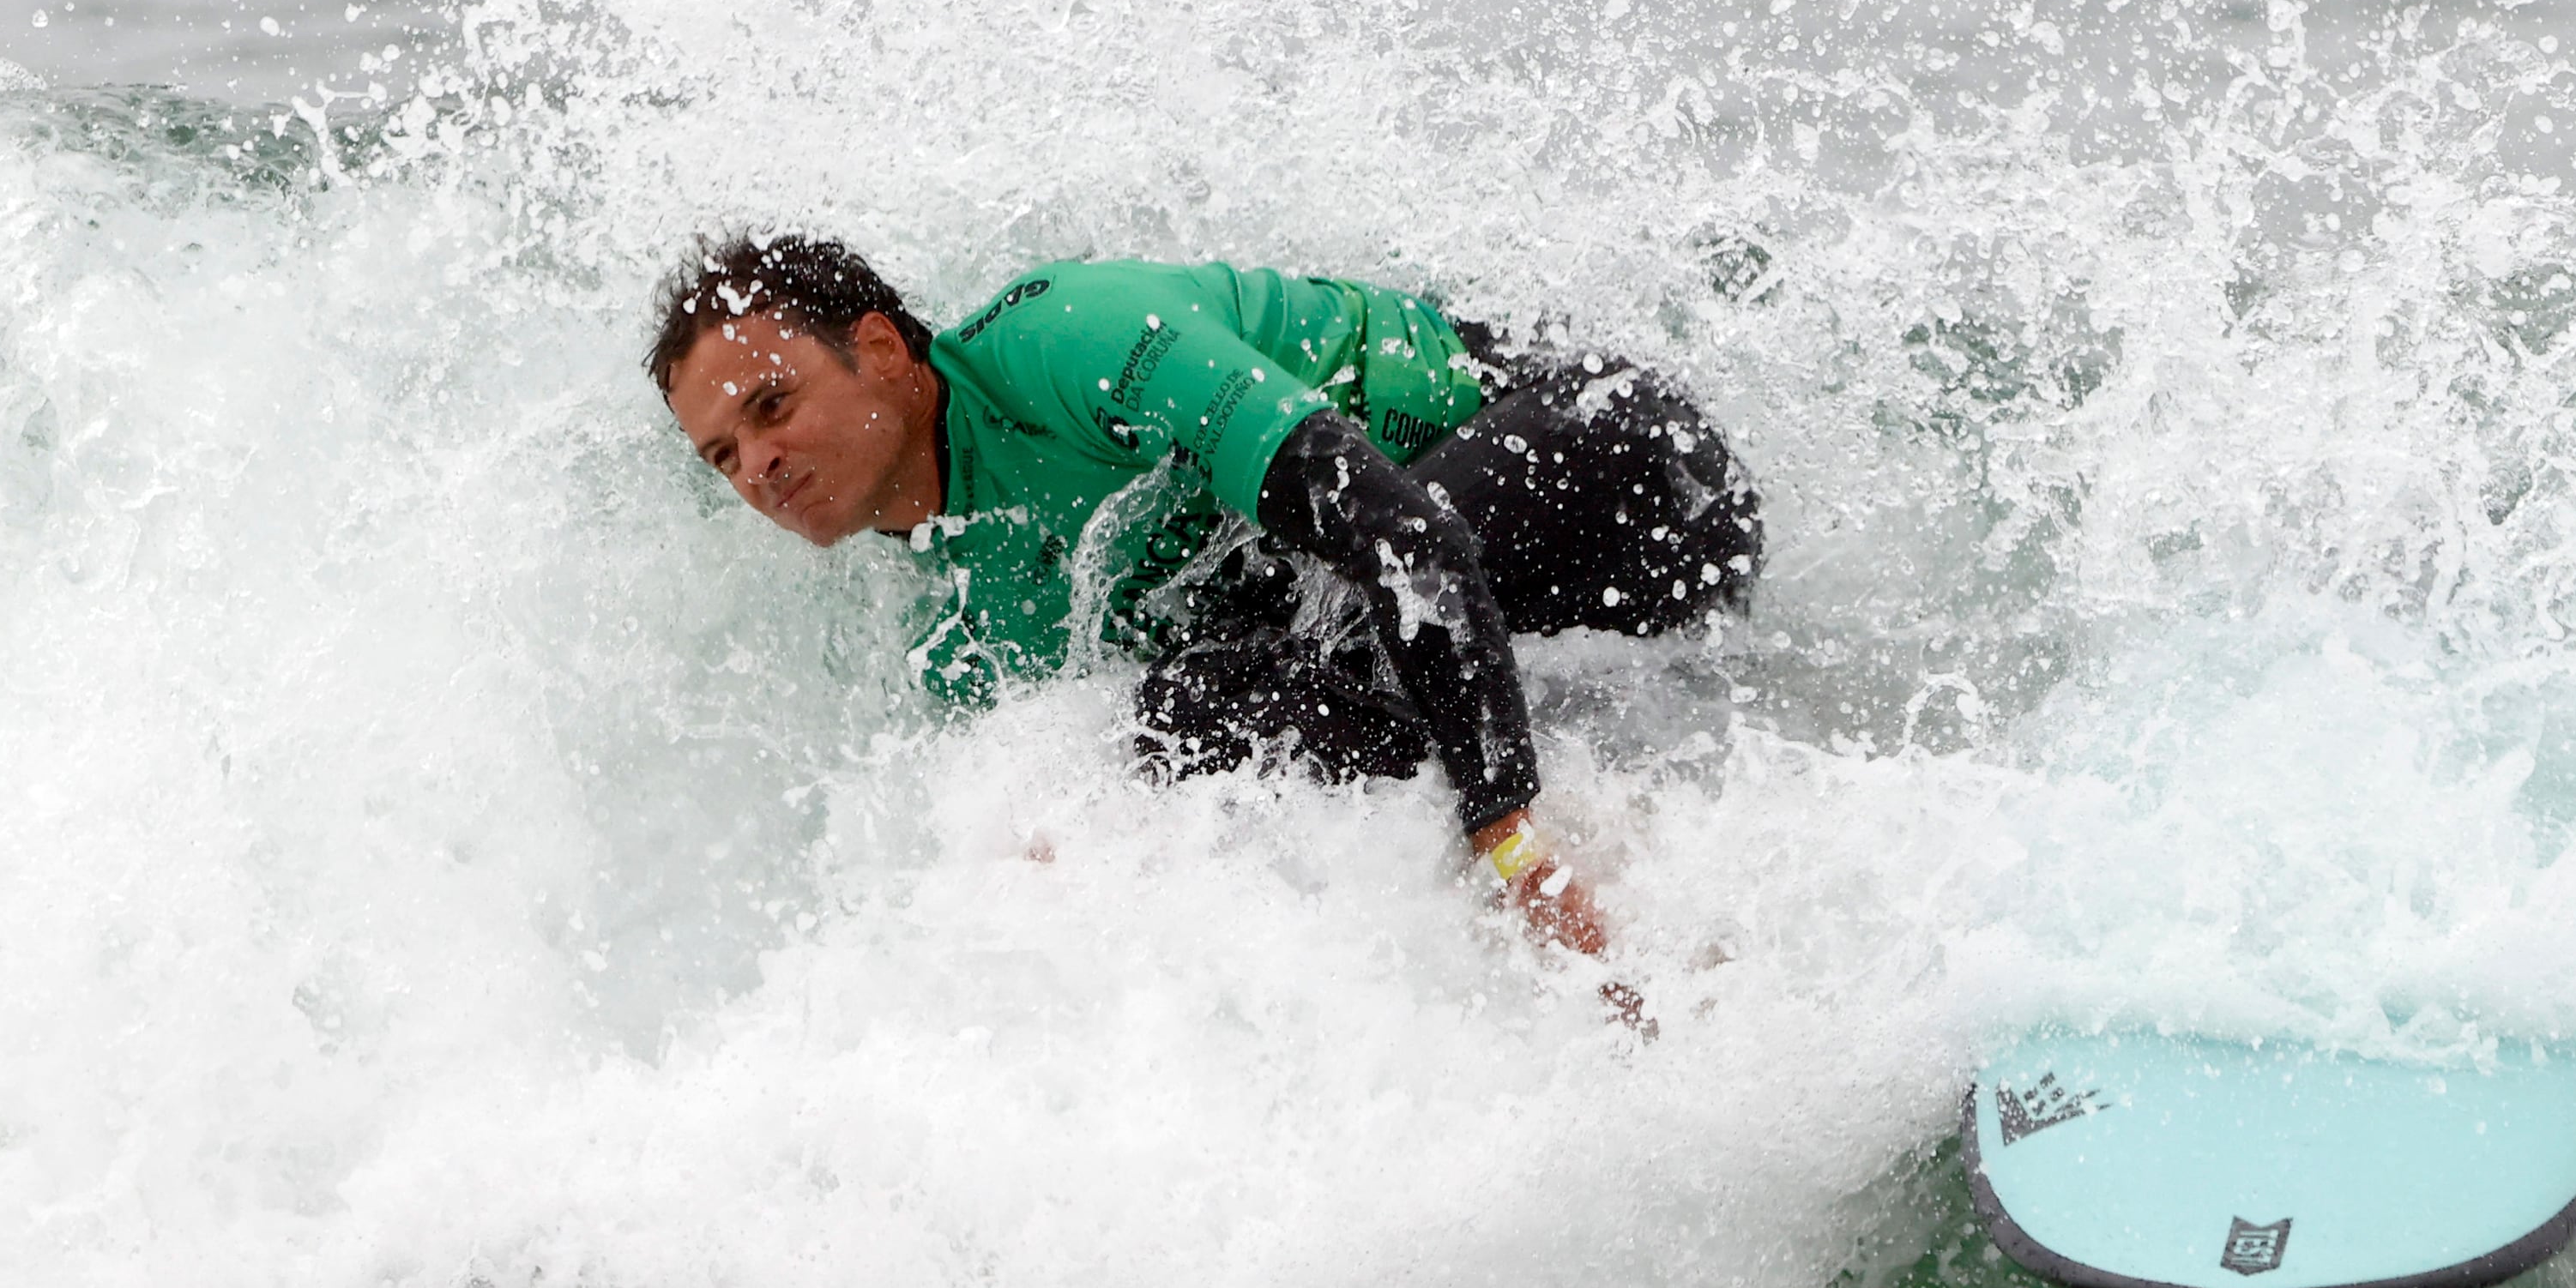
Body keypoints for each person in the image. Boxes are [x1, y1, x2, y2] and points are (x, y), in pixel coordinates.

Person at [648, 237, 1763, 994]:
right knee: (1154, 742)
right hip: (1506, 633)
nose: (759, 464)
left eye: (773, 405)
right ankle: (1655, 920)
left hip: (1616, 469)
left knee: (1225, 681)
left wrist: (1508, 837)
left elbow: (1404, 535)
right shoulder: (965, 627)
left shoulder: (1067, 342)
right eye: (723, 454)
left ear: (882, 350)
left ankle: (1587, 902)